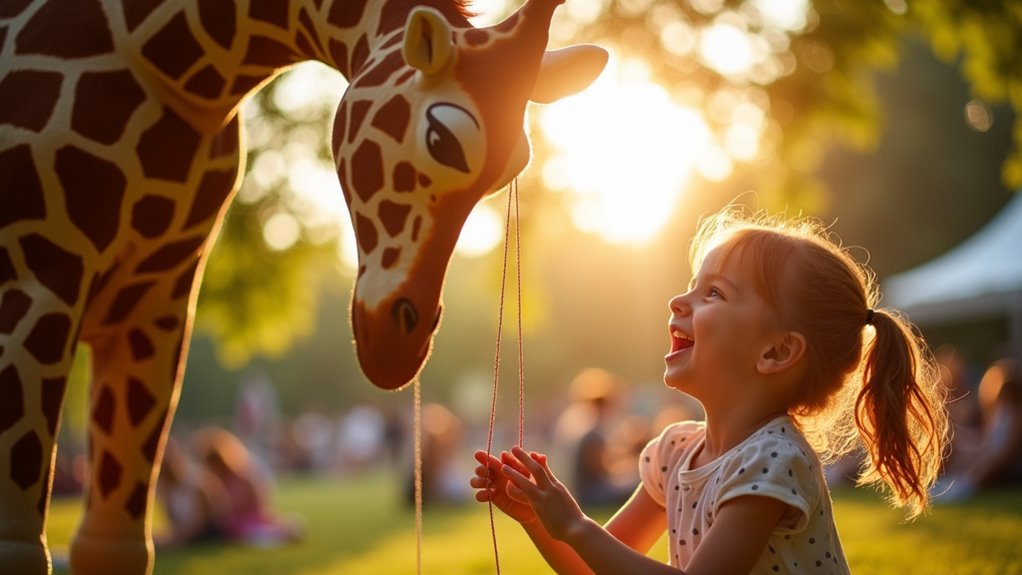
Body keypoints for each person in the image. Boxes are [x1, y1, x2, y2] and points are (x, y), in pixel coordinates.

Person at [471, 208, 948, 574]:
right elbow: (593, 567)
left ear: (777, 351)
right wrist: (538, 519)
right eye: (691, 286)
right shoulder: (675, 451)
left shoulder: (774, 460)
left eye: (714, 293)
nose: (679, 300)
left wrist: (577, 525)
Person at [935, 357, 1022, 501]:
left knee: (986, 458)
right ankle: (954, 483)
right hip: (990, 453)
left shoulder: (1016, 414)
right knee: (965, 451)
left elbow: (1008, 451)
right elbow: (987, 439)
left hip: (1005, 463)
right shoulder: (994, 412)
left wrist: (986, 455)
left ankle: (966, 485)